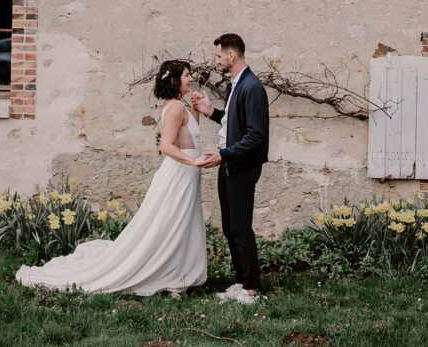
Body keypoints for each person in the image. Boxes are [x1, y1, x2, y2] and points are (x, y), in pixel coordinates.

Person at [14, 60, 207, 296]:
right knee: (171, 224)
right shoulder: (175, 107)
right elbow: (167, 147)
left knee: (181, 222)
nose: (191, 78)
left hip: (186, 173)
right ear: (175, 80)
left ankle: (178, 272)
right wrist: (195, 161)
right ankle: (170, 274)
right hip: (180, 173)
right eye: (187, 75)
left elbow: (188, 140)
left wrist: (196, 111)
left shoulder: (180, 105)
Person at [191, 33, 270, 304]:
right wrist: (209, 111)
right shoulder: (238, 84)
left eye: (218, 55)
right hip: (228, 164)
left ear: (231, 55)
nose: (217, 61)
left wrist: (223, 155)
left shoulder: (252, 87)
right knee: (229, 226)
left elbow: (255, 135)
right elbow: (234, 123)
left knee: (240, 227)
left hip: (241, 166)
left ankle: (251, 288)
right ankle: (241, 281)